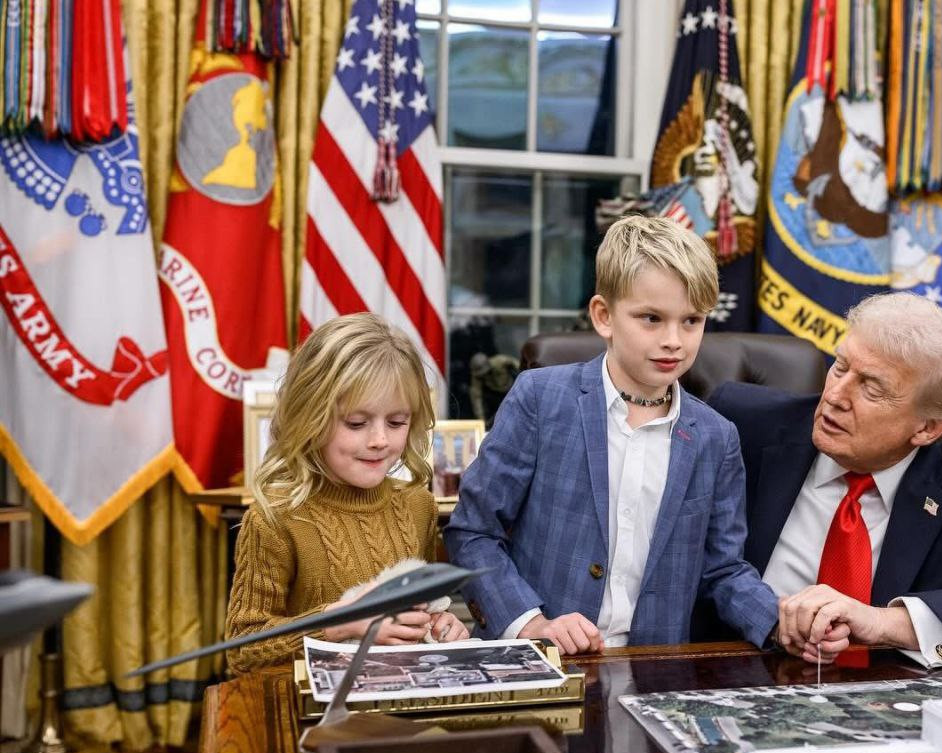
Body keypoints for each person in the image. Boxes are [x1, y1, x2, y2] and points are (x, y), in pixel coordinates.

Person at [445, 216, 778, 654]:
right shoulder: (540, 399)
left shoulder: (717, 437)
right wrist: (531, 623)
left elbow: (722, 570)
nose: (674, 340)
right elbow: (473, 532)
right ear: (603, 316)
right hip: (540, 659)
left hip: (654, 668)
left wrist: (778, 623)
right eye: (651, 319)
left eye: (691, 321)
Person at [710, 292, 942, 667]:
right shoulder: (740, 427)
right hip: (730, 674)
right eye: (840, 366)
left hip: (887, 697)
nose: (835, 396)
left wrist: (884, 623)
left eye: (872, 388)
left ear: (929, 428)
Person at [224, 313, 468, 674]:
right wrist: (340, 625)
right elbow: (243, 650)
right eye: (356, 423)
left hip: (401, 697)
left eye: (397, 422)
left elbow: (416, 613)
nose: (380, 440)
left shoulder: (419, 506)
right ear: (310, 417)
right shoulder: (274, 520)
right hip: (316, 706)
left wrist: (439, 624)